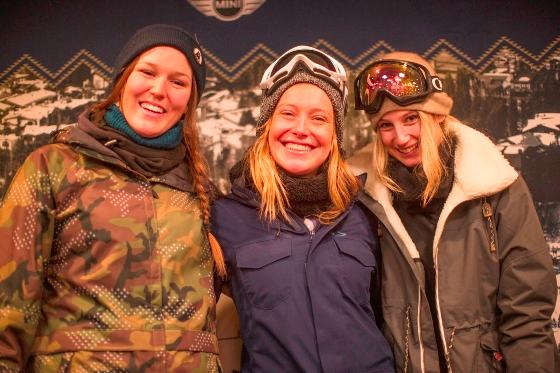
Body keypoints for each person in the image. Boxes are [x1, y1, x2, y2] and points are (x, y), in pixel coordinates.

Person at [0, 24, 225, 372]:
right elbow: (7, 308)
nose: (158, 89)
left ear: (189, 101)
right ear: (123, 78)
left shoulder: (200, 191)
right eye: (147, 72)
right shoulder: (54, 167)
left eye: (178, 82)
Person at [349, 51, 559, 372]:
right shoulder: (368, 200)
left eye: (411, 118)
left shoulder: (495, 187)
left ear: (437, 116)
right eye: (385, 126)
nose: (400, 138)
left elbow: (527, 314)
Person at [211, 46, 395, 372]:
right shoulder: (225, 218)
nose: (302, 129)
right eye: (287, 113)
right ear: (267, 125)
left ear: (334, 135)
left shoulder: (365, 213)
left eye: (320, 118)